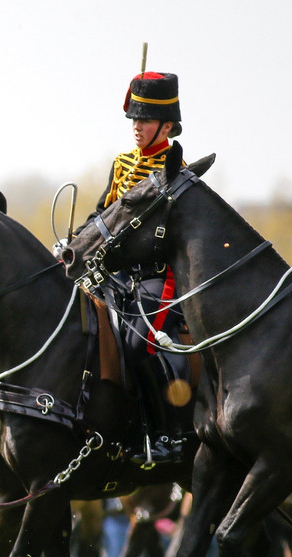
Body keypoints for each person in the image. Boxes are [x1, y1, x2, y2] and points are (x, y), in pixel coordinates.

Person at [87, 71, 192, 466]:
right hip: (114, 274)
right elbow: (103, 214)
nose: (137, 127)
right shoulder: (121, 163)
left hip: (155, 276)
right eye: (134, 120)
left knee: (138, 344)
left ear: (166, 125)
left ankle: (166, 432)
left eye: (144, 120)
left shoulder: (177, 170)